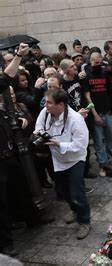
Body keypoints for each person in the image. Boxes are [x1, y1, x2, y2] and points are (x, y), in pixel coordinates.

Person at [34, 89, 91, 239]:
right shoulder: (45, 113)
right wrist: (41, 134)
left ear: (61, 105)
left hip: (75, 159)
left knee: (77, 192)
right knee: (62, 191)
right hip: (57, 159)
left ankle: (84, 221)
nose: (45, 105)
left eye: (49, 103)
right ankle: (74, 209)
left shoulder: (75, 119)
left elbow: (81, 145)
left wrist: (59, 144)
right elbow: (38, 127)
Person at [0, 42, 29, 257]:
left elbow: (6, 78)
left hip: (7, 153)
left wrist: (18, 56)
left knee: (19, 186)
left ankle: (25, 218)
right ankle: (6, 242)